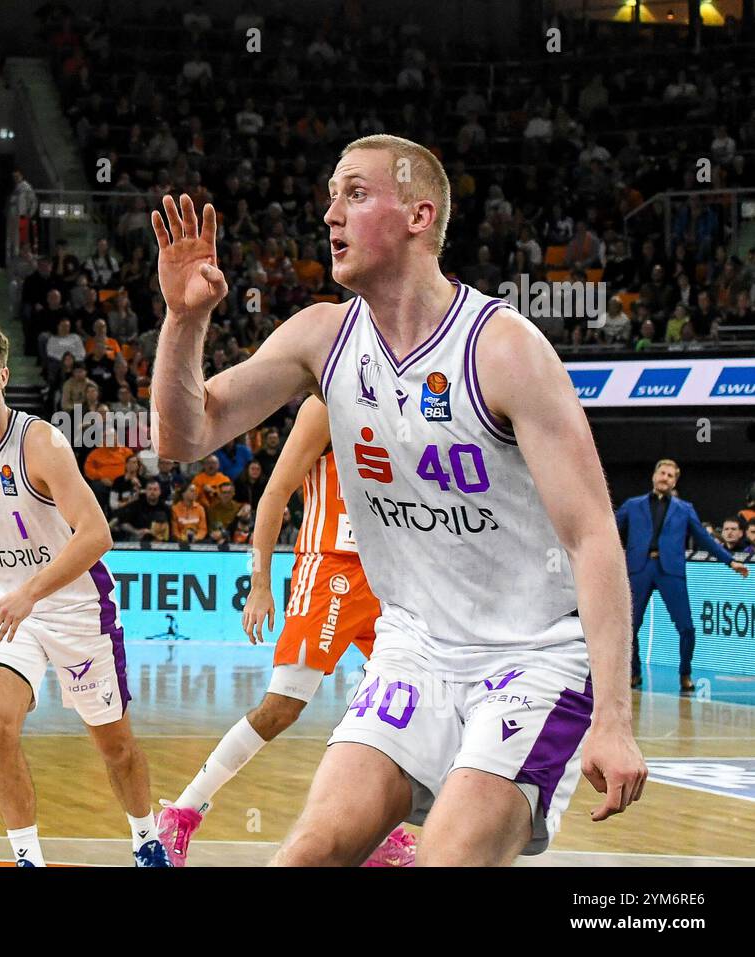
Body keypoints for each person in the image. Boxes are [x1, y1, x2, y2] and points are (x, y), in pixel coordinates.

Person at [149, 134, 647, 867]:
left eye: (354, 193)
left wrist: (616, 716)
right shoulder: (322, 337)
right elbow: (184, 436)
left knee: (447, 859)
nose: (330, 214)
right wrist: (184, 321)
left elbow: (592, 536)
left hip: (533, 659)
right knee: (305, 853)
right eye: (329, 197)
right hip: (412, 649)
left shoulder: (502, 348)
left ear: (420, 215)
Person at [0, 320, 171, 867]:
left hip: (74, 605)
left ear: (2, 372)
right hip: (2, 604)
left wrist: (31, 596)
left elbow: (97, 535)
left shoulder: (41, 442)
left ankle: (146, 839)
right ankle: (28, 857)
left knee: (114, 746)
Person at [158, 396, 414, 867]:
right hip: (329, 573)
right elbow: (274, 493)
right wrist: (260, 583)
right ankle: (182, 812)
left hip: (388, 576)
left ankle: (381, 833)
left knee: (395, 707)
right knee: (282, 708)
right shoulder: (325, 406)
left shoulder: (402, 402)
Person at [615, 461, 748, 692]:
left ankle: (685, 673)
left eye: (670, 475)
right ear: (654, 475)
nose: (665, 478)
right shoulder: (632, 505)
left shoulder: (684, 508)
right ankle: (633, 673)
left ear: (675, 481)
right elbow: (611, 529)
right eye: (662, 473)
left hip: (670, 570)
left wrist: (730, 561)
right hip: (640, 568)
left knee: (687, 627)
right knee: (630, 626)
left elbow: (704, 539)